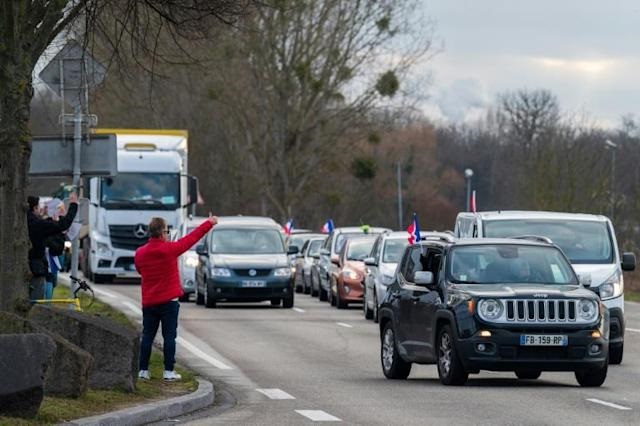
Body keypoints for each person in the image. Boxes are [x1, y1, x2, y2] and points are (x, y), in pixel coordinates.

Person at [134, 214, 218, 381]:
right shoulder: (170, 249)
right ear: (161, 233)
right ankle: (168, 371)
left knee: (147, 336)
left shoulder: (140, 253)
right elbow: (192, 238)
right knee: (169, 337)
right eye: (166, 231)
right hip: (169, 302)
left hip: (149, 301)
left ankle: (142, 370)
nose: (167, 234)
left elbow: (140, 271)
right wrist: (209, 223)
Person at [27, 192, 78, 300]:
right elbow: (63, 225)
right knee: (37, 301)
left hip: (25, 265)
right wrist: (73, 205)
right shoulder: (37, 224)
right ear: (35, 208)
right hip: (36, 267)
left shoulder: (21, 221)